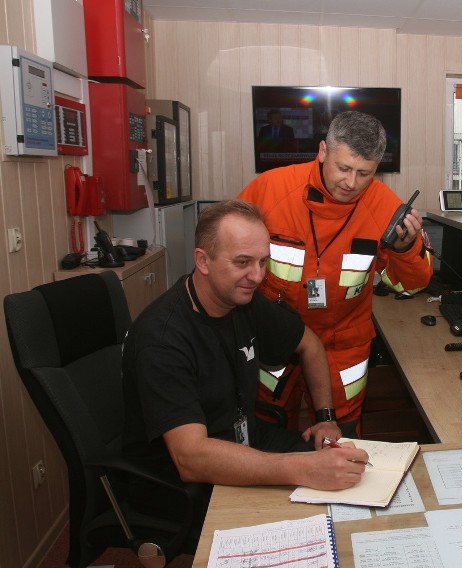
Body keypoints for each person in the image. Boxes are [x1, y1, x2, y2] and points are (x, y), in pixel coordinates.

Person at [122, 200, 369, 517]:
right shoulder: (162, 340)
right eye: (242, 262)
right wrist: (301, 468)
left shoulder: (243, 300)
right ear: (203, 260)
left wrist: (325, 417)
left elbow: (310, 345)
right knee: (314, 510)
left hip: (248, 441)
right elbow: (190, 458)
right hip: (182, 483)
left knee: (350, 469)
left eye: (263, 262)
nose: (257, 276)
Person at [238, 110, 433, 435]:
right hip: (274, 334)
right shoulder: (271, 189)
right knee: (266, 425)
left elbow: (413, 285)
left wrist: (404, 249)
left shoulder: (387, 208)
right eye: (343, 168)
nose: (351, 183)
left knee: (340, 434)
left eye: (364, 173)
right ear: (323, 151)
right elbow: (228, 254)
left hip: (344, 344)